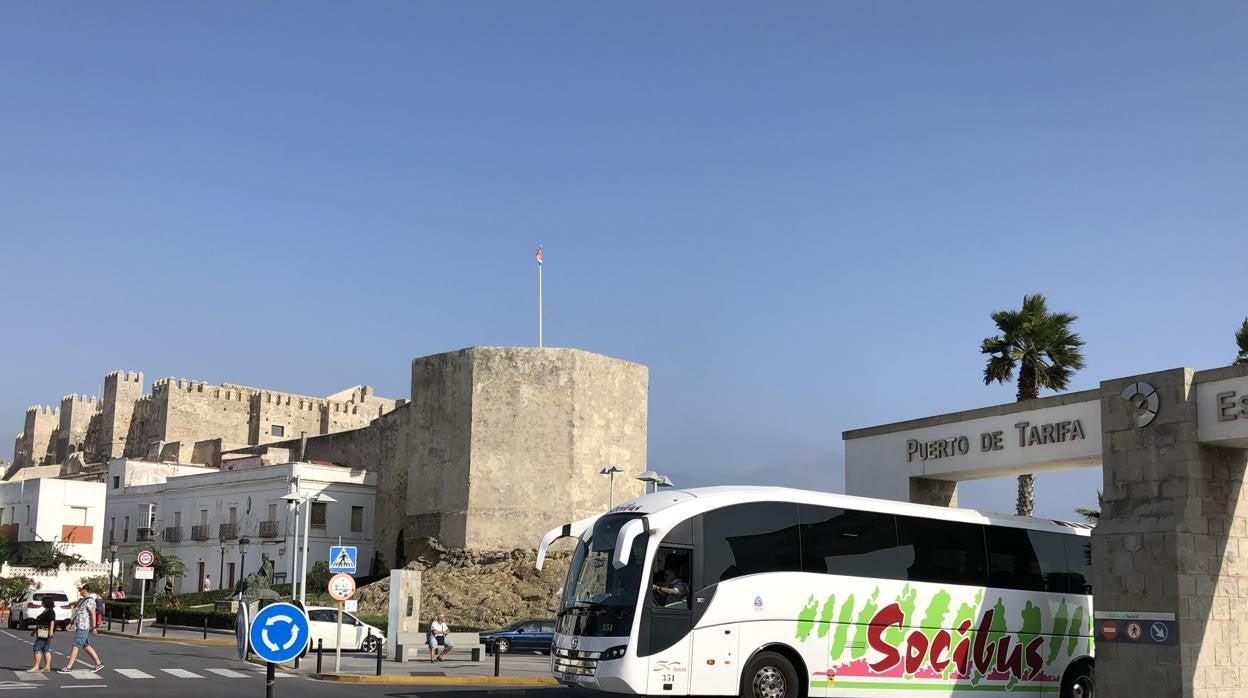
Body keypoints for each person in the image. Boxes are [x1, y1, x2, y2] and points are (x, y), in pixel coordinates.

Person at [58, 586, 103, 673]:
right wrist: (71, 623)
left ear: (85, 590)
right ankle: (98, 663)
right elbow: (77, 613)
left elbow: (93, 615)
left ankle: (69, 667)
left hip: (84, 626)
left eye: (80, 590)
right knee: (85, 645)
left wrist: (94, 627)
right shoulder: (82, 600)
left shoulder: (90, 601)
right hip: (79, 626)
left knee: (75, 645)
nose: (79, 591)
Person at [28, 597, 56, 672]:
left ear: (46, 603)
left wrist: (51, 631)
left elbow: (52, 621)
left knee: (36, 648)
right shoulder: (45, 611)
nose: (42, 603)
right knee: (45, 649)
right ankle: (47, 667)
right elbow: (41, 622)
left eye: (43, 602)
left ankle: (36, 666)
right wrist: (34, 630)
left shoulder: (50, 611)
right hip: (42, 630)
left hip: (45, 631)